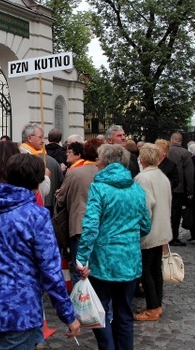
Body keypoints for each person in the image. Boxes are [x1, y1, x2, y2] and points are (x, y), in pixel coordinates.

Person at [0, 153, 81, 349]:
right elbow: (51, 270)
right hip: (20, 307)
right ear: (37, 182)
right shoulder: (36, 216)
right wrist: (67, 314)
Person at [76, 144, 151, 350]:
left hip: (103, 261)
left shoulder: (99, 187)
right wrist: (128, 237)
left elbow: (90, 226)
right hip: (129, 259)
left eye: (99, 159)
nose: (97, 162)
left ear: (106, 162)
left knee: (99, 311)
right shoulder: (136, 188)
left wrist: (82, 258)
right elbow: (145, 225)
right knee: (124, 313)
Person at [133, 143, 172, 322]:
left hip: (150, 231)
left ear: (142, 158)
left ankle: (153, 307)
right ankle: (156, 304)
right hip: (162, 228)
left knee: (146, 270)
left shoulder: (143, 178)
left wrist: (140, 228)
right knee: (156, 269)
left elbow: (145, 207)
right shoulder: (161, 176)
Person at [55, 138, 101, 283]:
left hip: (79, 224)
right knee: (99, 268)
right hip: (102, 225)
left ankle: (80, 302)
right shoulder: (104, 172)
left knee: (79, 268)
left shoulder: (75, 172)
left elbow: (61, 199)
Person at [167, 133, 194, 247]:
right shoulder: (185, 153)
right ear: (181, 141)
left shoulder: (165, 152)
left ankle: (166, 235)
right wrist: (190, 191)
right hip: (178, 188)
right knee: (176, 213)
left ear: (172, 140)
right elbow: (189, 173)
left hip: (166, 186)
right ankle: (173, 236)